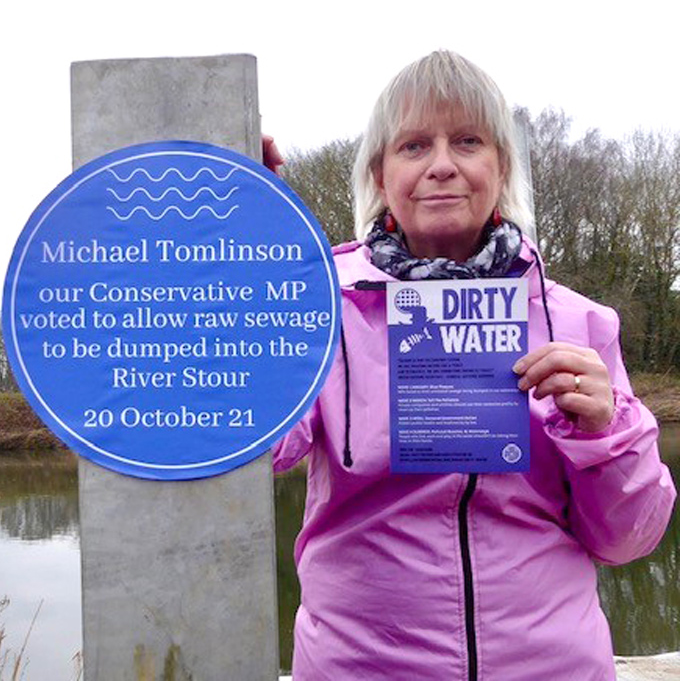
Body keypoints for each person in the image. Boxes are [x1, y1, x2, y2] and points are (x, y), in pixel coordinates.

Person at [272, 51, 676, 680]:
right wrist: (235, 242)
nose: (441, 166)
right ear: (380, 174)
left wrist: (608, 431)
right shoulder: (320, 312)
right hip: (359, 668)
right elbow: (241, 454)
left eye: (467, 141)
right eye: (413, 145)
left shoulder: (577, 323)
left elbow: (627, 541)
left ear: (501, 166)